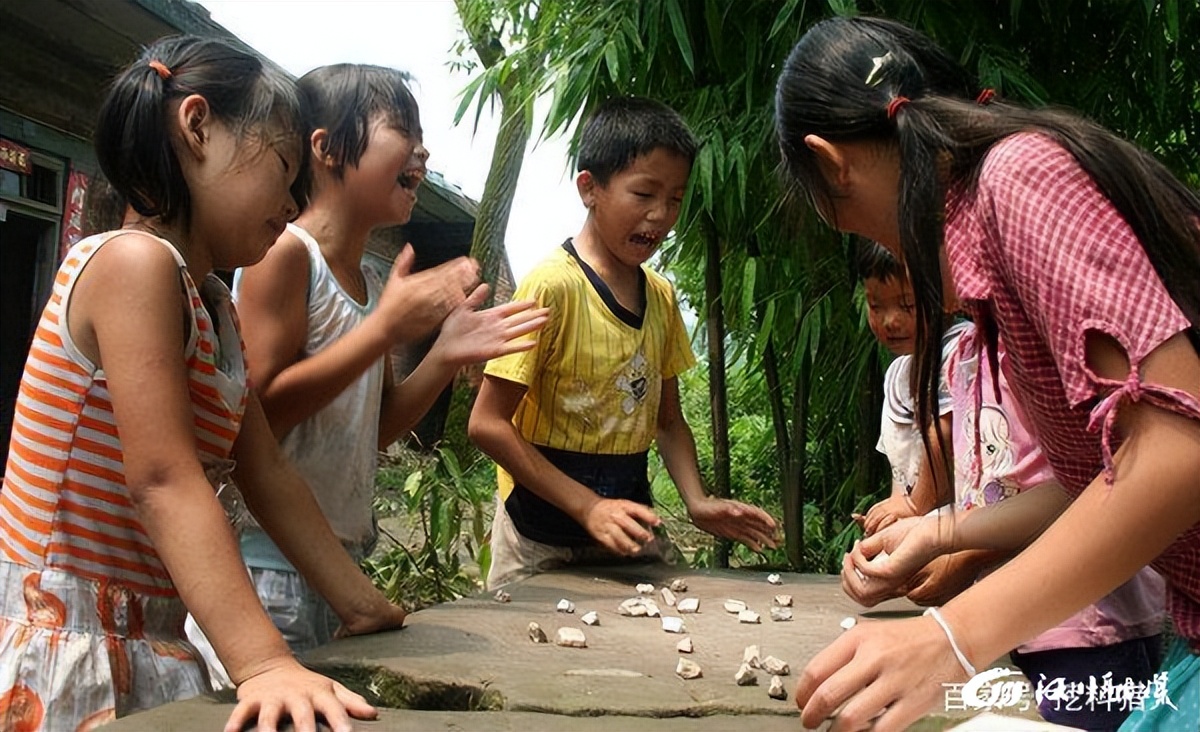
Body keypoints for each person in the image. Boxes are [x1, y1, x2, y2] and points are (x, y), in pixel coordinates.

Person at [774, 15, 1200, 731]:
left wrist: (950, 638)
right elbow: (1108, 475)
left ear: (830, 165)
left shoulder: (1018, 177)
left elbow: (1178, 450)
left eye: (851, 225)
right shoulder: (994, 239)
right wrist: (942, 530)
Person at [0, 37, 407, 732]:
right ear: (197, 127)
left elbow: (267, 470)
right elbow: (162, 479)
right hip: (71, 638)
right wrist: (265, 661)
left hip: (147, 633)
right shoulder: (132, 264)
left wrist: (361, 602)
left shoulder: (212, 301)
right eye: (283, 170)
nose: (290, 199)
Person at [231, 63, 548, 652]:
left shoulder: (371, 283)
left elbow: (375, 429)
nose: (422, 151)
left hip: (342, 563)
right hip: (268, 565)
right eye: (402, 127)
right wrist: (383, 331)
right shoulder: (284, 255)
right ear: (324, 148)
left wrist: (445, 355)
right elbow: (257, 416)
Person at [469, 96, 779, 590]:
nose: (660, 216)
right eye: (644, 194)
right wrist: (586, 506)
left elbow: (669, 421)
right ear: (589, 188)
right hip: (537, 540)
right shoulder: (552, 287)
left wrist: (697, 501)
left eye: (676, 199)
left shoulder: (660, 297)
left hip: (627, 531)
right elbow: (486, 424)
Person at [849, 321, 1164, 731]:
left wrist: (947, 545)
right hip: (1014, 622)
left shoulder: (1053, 343)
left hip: (1089, 627)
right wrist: (930, 538)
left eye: (909, 305)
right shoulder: (965, 354)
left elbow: (1091, 483)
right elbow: (989, 494)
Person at [854, 240, 967, 536]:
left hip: (968, 522)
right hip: (926, 521)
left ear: (945, 295)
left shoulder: (962, 352)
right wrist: (894, 513)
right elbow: (900, 461)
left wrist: (915, 506)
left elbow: (943, 433)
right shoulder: (896, 376)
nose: (890, 321)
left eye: (906, 305)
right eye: (876, 305)